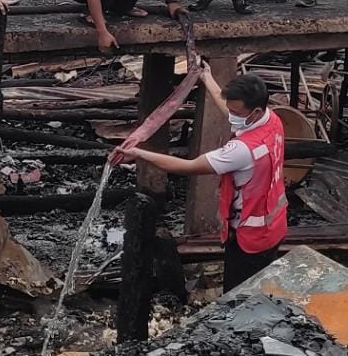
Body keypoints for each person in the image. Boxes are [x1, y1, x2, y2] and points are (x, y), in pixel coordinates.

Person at [116, 70, 286, 291]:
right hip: (273, 225)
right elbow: (229, 108)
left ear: (254, 112)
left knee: (240, 296)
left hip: (249, 238)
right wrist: (207, 77)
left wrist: (140, 154)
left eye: (235, 112)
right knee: (260, 285)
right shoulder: (272, 121)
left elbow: (188, 166)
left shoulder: (241, 151)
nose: (230, 115)